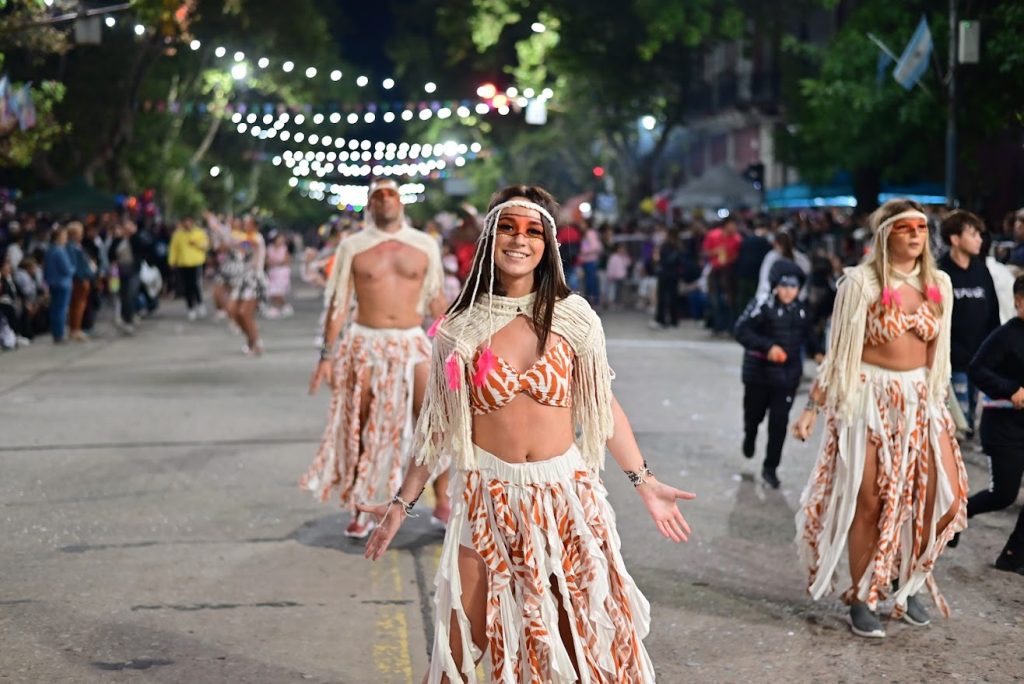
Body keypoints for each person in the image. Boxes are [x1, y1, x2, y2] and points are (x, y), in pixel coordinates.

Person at [357, 184, 696, 683]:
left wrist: (644, 481)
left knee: (578, 637)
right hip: (487, 498)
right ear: (489, 239)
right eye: (508, 229)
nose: (520, 239)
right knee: (460, 644)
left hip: (564, 498)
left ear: (548, 244)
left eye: (533, 231)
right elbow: (438, 429)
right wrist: (400, 504)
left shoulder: (574, 317)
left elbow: (601, 407)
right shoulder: (458, 329)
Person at [791, 199, 967, 639]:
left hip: (920, 401)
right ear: (886, 234)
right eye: (906, 228)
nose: (916, 235)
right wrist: (812, 408)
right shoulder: (860, 283)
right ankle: (861, 594)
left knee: (937, 498)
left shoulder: (939, 284)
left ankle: (907, 582)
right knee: (868, 500)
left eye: (922, 228)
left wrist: (942, 406)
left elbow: (939, 357)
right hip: (870, 400)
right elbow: (838, 355)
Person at [302, 178, 450, 538]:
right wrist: (326, 355)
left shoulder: (424, 244)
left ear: (401, 201)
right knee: (362, 423)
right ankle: (363, 505)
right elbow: (339, 302)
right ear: (369, 205)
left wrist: (454, 345)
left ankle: (443, 500)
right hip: (365, 342)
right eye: (378, 195)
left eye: (391, 194)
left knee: (435, 418)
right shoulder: (353, 246)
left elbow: (435, 297)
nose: (385, 200)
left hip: (411, 340)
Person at [960, 274, 1024, 574]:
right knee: (1003, 495)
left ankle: (1013, 556)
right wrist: (1010, 389)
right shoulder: (1006, 336)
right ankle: (956, 516)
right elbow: (977, 369)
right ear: (1019, 301)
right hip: (1004, 428)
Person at [735, 259, 818, 489]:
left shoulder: (802, 310)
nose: (788, 291)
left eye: (793, 286)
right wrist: (768, 347)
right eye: (784, 285)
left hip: (787, 378)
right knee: (753, 415)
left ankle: (770, 468)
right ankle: (750, 434)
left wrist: (819, 353)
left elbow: (810, 337)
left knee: (779, 424)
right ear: (775, 286)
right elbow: (741, 330)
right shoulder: (762, 304)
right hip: (758, 375)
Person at [938, 210, 1001, 439]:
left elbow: (993, 313)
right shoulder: (940, 273)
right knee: (956, 425)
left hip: (980, 360)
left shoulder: (982, 271)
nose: (979, 240)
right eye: (973, 234)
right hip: (952, 362)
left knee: (974, 422)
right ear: (955, 239)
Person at [226, 216, 266, 355]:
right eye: (245, 223)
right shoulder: (243, 238)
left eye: (248, 224)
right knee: (232, 310)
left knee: (245, 313)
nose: (245, 226)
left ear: (255, 226)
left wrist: (230, 235)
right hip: (242, 279)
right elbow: (234, 244)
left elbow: (246, 243)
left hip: (254, 280)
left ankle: (257, 343)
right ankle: (250, 339)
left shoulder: (257, 238)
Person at [703, 216, 742, 335]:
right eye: (732, 225)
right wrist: (715, 251)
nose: (734, 228)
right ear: (726, 225)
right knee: (715, 299)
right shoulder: (713, 235)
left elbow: (738, 255)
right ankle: (718, 326)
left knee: (730, 300)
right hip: (715, 270)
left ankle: (730, 327)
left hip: (730, 272)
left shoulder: (737, 239)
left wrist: (731, 258)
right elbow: (705, 252)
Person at [168, 217, 209, 321]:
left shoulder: (199, 233)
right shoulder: (178, 235)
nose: (187, 224)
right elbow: (173, 249)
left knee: (195, 284)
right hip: (183, 263)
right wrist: (172, 261)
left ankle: (200, 303)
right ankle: (190, 307)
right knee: (187, 287)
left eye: (189, 222)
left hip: (196, 262)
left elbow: (206, 245)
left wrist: (196, 244)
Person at [65, 221, 96, 341]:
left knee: (78, 305)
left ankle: (75, 329)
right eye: (79, 233)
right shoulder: (72, 247)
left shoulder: (76, 246)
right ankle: (75, 329)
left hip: (82, 278)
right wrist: (82, 277)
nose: (82, 235)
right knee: (78, 305)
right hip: (80, 279)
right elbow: (76, 265)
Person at [43, 226, 73, 344]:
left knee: (54, 309)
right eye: (64, 236)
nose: (66, 239)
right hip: (63, 283)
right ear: (58, 237)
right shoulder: (60, 251)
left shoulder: (49, 250)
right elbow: (66, 269)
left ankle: (55, 333)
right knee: (61, 310)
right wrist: (73, 269)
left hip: (52, 283)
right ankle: (59, 334)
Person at [265, 230, 293, 318]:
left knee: (278, 293)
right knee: (271, 292)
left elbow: (287, 261)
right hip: (272, 273)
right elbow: (267, 261)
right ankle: (275, 308)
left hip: (282, 273)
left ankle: (285, 306)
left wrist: (276, 263)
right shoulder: (269, 248)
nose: (281, 240)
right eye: (279, 238)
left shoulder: (284, 249)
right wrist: (272, 263)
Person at [604, 241, 631, 309]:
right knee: (613, 291)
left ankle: (618, 302)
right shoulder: (614, 257)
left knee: (620, 291)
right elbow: (610, 266)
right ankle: (613, 303)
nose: (622, 250)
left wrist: (625, 256)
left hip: (621, 277)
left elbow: (628, 263)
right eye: (620, 249)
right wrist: (610, 275)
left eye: (623, 249)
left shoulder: (624, 257)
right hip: (614, 277)